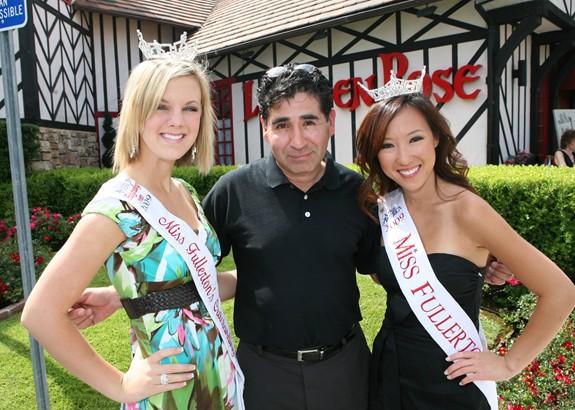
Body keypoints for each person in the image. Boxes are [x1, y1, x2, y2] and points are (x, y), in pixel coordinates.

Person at [67, 63, 512, 410]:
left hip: (346, 369)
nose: (297, 140)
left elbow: (392, 270)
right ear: (264, 126)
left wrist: (475, 266)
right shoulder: (232, 192)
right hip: (262, 374)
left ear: (330, 121)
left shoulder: (359, 193)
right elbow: (196, 270)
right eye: (281, 125)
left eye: (309, 122)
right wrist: (123, 296)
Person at [22, 31, 244, 410]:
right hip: (169, 392)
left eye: (191, 108)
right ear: (137, 113)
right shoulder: (116, 207)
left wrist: (267, 274)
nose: (178, 121)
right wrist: (121, 386)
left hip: (216, 377)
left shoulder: (184, 191)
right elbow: (40, 314)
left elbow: (196, 287)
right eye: (161, 106)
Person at [355, 75, 575, 409]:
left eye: (415, 139)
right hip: (390, 374)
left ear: (435, 139)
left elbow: (561, 292)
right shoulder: (384, 210)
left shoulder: (469, 211)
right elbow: (387, 276)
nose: (403, 157)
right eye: (387, 145)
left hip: (453, 384)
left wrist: (509, 364)